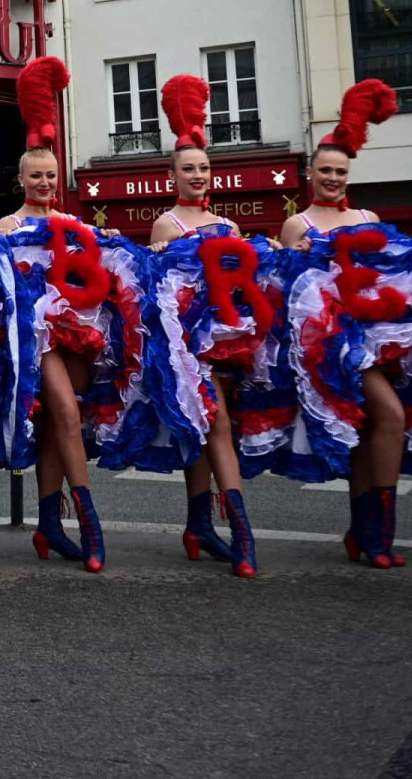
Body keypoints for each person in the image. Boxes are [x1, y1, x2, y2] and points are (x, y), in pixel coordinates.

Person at [279, 79, 412, 570]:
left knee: (374, 427)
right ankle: (375, 534)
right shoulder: (299, 225)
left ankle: (366, 533)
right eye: (325, 170)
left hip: (377, 335)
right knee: (390, 418)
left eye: (341, 171)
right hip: (331, 345)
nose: (333, 178)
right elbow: (294, 291)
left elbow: (387, 275)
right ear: (310, 173)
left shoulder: (368, 215)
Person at [0, 55, 118, 575]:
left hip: (79, 336)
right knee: (64, 414)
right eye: (35, 176)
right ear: (20, 178)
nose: (44, 182)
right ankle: (89, 521)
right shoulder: (4, 226)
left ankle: (49, 525)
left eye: (50, 175)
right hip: (34, 340)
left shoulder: (75, 223)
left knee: (57, 426)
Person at [149, 75, 259, 578]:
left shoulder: (231, 227)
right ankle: (241, 532)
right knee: (216, 426)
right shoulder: (167, 225)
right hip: (189, 346)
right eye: (189, 169)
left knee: (205, 428)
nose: (198, 175)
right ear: (173, 176)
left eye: (204, 168)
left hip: (231, 343)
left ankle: (198, 526)